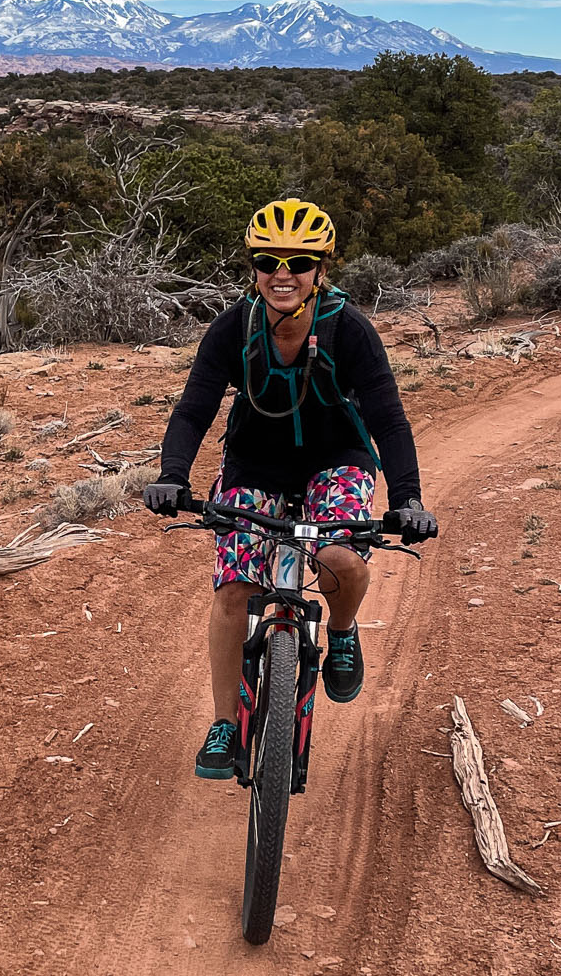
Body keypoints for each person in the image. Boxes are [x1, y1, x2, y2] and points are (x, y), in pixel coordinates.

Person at [144, 197, 437, 779]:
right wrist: (172, 475)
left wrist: (407, 498)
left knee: (341, 561)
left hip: (337, 459)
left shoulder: (349, 330)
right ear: (253, 267)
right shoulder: (234, 328)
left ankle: (342, 631)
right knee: (235, 588)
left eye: (299, 262)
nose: (283, 274)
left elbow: (388, 419)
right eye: (268, 261)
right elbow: (195, 409)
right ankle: (224, 724)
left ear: (320, 269)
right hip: (254, 463)